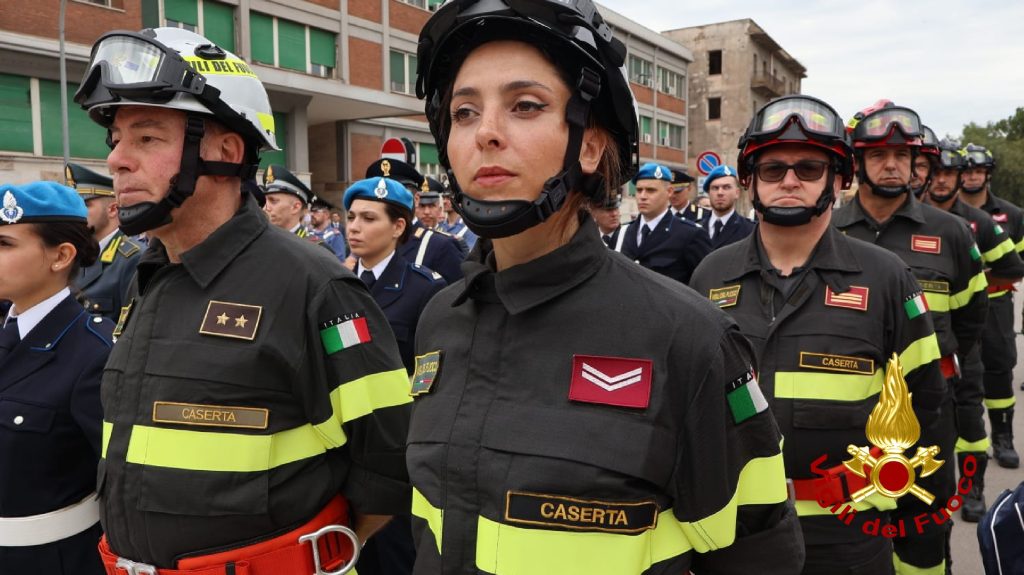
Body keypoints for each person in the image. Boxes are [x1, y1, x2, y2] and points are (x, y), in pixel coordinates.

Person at [409, 1, 804, 573]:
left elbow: (759, 554)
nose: (486, 133)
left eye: (525, 106)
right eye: (464, 112)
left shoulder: (689, 339)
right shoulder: (439, 319)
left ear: (590, 146)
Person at [74, 26, 412, 573]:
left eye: (147, 138)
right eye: (115, 140)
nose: (117, 160)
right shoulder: (147, 275)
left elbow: (388, 462)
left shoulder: (315, 287)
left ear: (226, 152)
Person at [690, 94, 947, 575]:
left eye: (809, 168)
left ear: (839, 179)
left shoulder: (886, 278)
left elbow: (928, 413)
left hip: (850, 534)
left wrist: (922, 546)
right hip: (733, 535)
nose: (790, 181)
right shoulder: (710, 275)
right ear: (749, 180)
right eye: (773, 169)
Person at [831, 100, 987, 575]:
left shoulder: (952, 233)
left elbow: (970, 317)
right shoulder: (827, 229)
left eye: (902, 155)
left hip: (927, 412)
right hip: (846, 414)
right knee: (850, 533)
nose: (893, 165)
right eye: (878, 155)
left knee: (924, 530)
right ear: (856, 164)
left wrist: (933, 370)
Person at [0, 181, 113, 574]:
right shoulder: (6, 332)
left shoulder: (96, 353)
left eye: (5, 244)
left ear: (61, 256)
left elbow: (121, 482)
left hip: (54, 560)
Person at [343, 175, 446, 575]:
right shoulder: (338, 285)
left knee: (394, 555)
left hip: (398, 451)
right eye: (351, 217)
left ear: (398, 226)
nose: (354, 227)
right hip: (346, 445)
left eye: (369, 218)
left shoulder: (424, 289)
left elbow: (433, 375)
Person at [922, 137, 1024, 522]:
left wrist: (973, 286)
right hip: (916, 338)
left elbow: (1013, 268)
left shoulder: (979, 222)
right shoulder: (905, 219)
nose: (942, 180)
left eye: (950, 173)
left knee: (969, 415)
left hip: (965, 336)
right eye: (936, 172)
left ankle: (971, 487)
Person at [957, 143, 1023, 471]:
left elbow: (1018, 264)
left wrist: (981, 278)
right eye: (966, 171)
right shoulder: (943, 212)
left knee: (998, 369)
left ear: (988, 174)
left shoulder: (1012, 215)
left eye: (978, 171)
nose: (972, 177)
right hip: (957, 309)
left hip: (996, 305)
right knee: (958, 375)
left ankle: (1003, 437)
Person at [366, 159, 465, 283]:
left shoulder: (440, 246)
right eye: (379, 197)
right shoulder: (366, 244)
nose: (387, 202)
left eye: (396, 194)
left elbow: (458, 291)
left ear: (416, 199)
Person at [65, 162, 142, 321]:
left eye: (85, 205)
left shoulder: (133, 259)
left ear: (113, 209)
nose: (77, 213)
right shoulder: (76, 254)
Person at [622, 161, 712, 284]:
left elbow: (705, 281)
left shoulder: (691, 234)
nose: (642, 196)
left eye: (650, 190)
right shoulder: (622, 233)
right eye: (639, 190)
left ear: (669, 191)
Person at [702, 164, 756, 249]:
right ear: (709, 193)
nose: (720, 193)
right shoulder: (695, 227)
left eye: (726, 187)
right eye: (715, 188)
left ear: (737, 193)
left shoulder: (750, 230)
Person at [261, 164, 311, 235]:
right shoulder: (263, 240)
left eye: (273, 201)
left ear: (295, 207)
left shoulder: (308, 242)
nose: (264, 208)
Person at [438, 186, 479, 251]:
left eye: (449, 198)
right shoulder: (439, 226)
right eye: (443, 198)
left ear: (458, 200)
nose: (444, 201)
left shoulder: (468, 227)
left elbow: (470, 253)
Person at [309, 193, 349, 260]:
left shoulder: (334, 236)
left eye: (315, 211)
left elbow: (339, 261)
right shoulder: (308, 233)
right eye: (311, 211)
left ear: (326, 214)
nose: (311, 214)